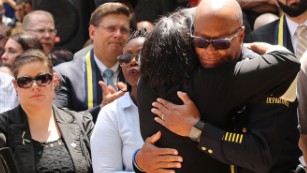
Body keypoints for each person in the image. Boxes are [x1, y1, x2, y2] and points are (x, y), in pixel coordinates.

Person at [135, 1, 301, 173]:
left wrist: (197, 130)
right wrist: (140, 161)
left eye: (221, 43)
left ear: (241, 35)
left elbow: (260, 155)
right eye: (200, 42)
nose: (210, 51)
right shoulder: (189, 78)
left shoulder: (269, 75)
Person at [0, 49, 94, 172]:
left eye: (42, 79)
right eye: (25, 81)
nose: (34, 86)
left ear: (54, 81)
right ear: (15, 85)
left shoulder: (81, 123)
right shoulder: (3, 126)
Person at [54, 2, 135, 122]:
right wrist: (102, 109)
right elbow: (61, 121)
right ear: (92, 32)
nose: (118, 34)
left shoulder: (136, 73)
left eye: (123, 30)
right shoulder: (65, 74)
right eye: (111, 28)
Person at [91, 29, 147, 172]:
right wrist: (142, 165)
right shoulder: (112, 113)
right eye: (125, 58)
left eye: (141, 55)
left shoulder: (177, 106)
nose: (133, 61)